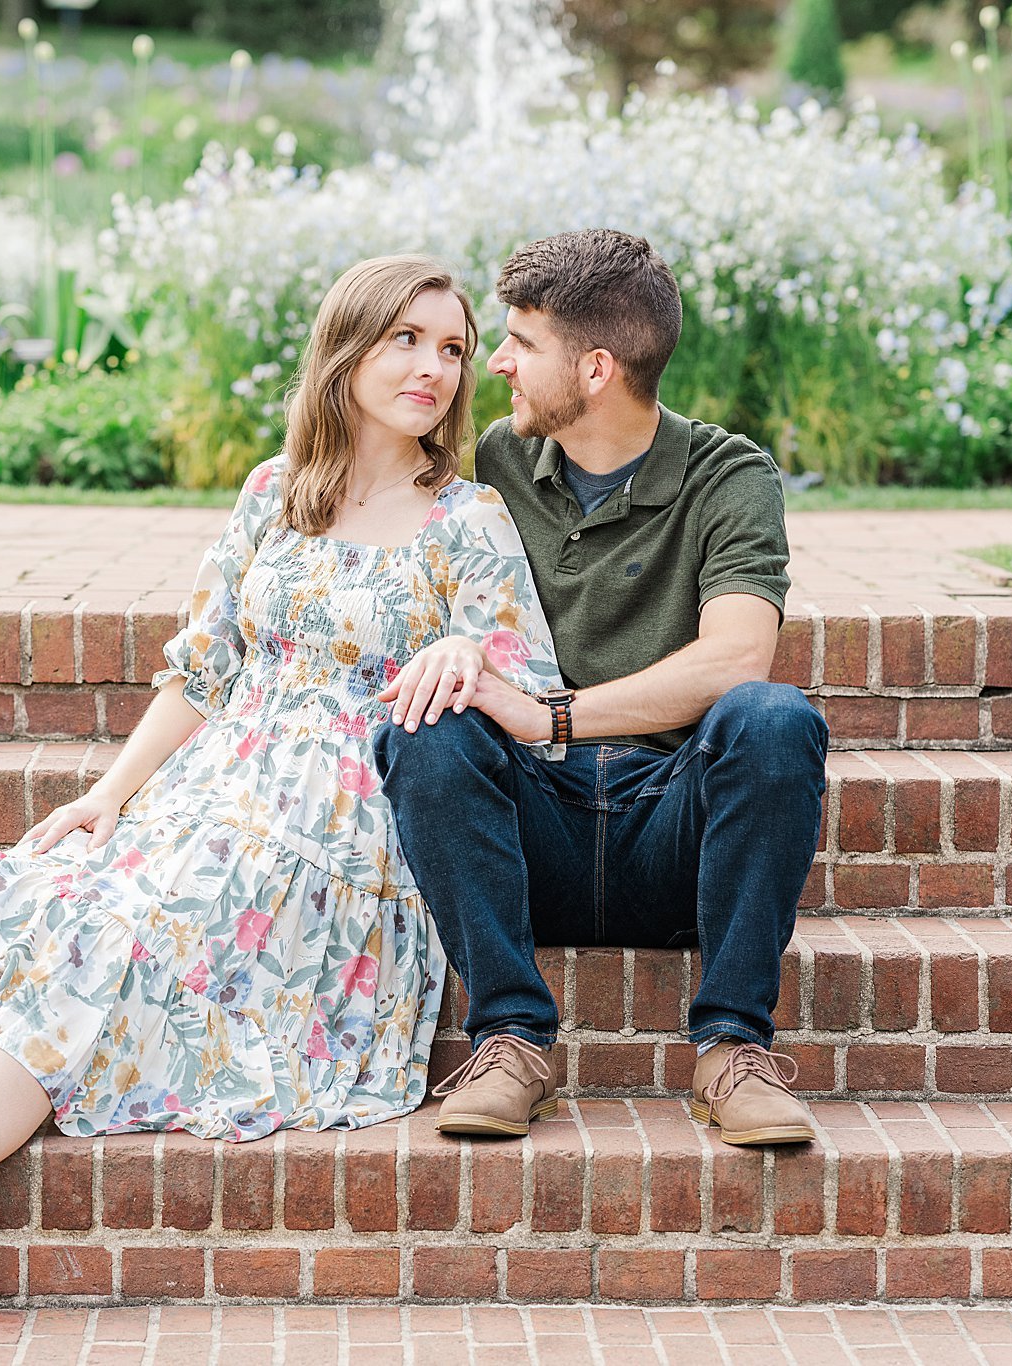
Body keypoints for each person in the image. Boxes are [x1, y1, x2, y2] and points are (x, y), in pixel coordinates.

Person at [0, 255, 561, 1332]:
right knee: (8, 889)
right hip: (215, 791)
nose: (432, 367)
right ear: (347, 347)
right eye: (405, 338)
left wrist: (468, 650)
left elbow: (534, 689)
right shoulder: (273, 491)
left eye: (452, 348)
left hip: (340, 825)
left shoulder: (463, 518)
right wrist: (106, 796)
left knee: (106, 935)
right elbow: (204, 669)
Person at [375, 228, 829, 1145]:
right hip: (525, 825)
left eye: (521, 344)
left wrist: (549, 713)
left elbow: (736, 659)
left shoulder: (728, 476)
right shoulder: (493, 460)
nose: (494, 362)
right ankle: (509, 1038)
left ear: (593, 370)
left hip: (674, 827)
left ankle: (731, 1048)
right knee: (426, 726)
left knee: (774, 718)